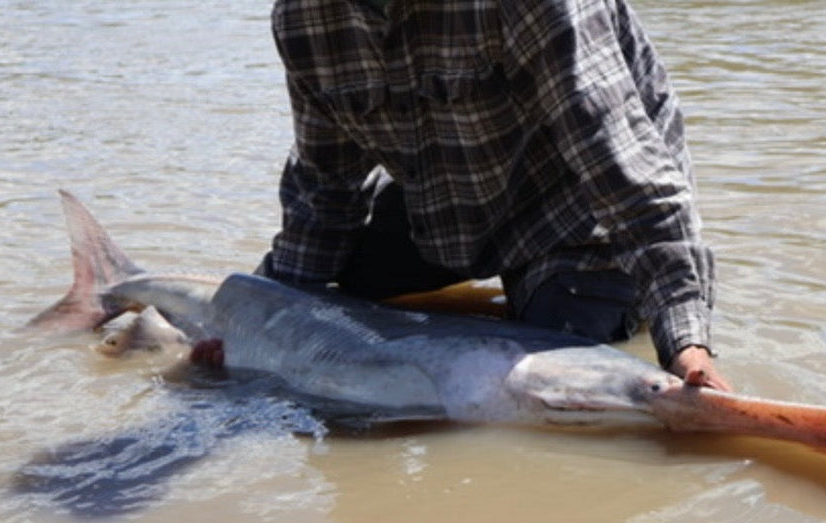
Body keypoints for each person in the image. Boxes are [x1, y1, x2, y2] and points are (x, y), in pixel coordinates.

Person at [254, 0, 731, 390]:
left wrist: (687, 343)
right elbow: (325, 190)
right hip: (447, 201)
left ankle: (618, 298)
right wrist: (255, 321)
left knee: (550, 390)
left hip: (577, 205)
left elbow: (623, 171)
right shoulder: (303, 17)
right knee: (329, 329)